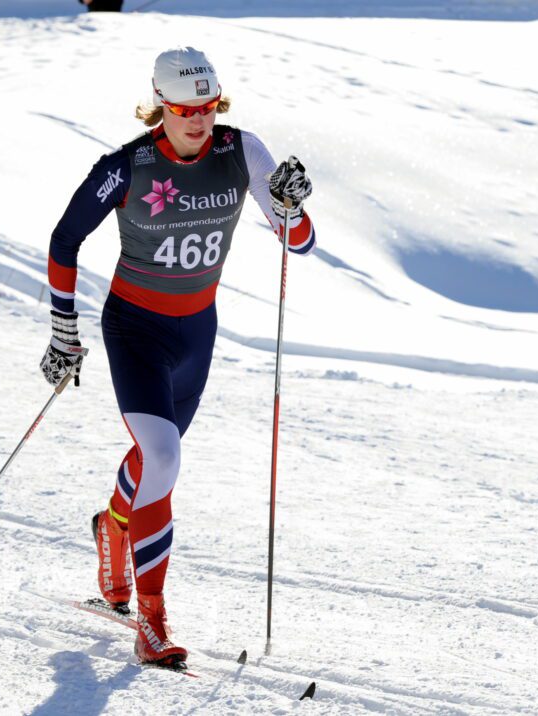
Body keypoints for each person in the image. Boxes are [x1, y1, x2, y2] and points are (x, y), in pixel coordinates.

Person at [40, 46, 316, 669]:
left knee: (151, 458)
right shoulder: (126, 167)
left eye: (209, 106)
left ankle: (114, 527)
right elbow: (65, 238)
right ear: (160, 107)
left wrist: (292, 208)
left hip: (197, 331)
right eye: (187, 108)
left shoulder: (241, 151)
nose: (200, 119)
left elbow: (299, 243)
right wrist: (63, 330)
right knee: (165, 455)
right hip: (135, 328)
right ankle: (153, 619)